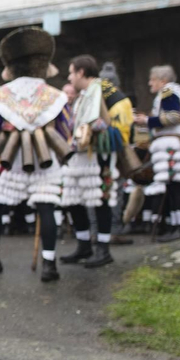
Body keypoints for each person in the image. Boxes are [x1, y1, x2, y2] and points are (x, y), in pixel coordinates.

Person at [0, 28, 73, 281]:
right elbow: (66, 128)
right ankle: (49, 264)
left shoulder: (0, 95)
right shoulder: (56, 96)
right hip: (44, 159)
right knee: (46, 207)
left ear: (11, 66)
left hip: (11, 158)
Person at [59, 55, 128, 269]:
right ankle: (84, 245)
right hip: (78, 154)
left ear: (81, 72)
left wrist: (95, 127)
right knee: (74, 199)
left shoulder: (102, 91)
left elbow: (110, 122)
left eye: (71, 73)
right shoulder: (83, 95)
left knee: (100, 198)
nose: (69, 77)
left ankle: (103, 249)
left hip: (98, 153)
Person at [145, 65, 180, 242]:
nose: (149, 83)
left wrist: (147, 121)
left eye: (152, 79)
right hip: (172, 144)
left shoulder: (168, 91)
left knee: (177, 185)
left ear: (163, 80)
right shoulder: (172, 91)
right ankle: (176, 226)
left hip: (172, 146)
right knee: (173, 186)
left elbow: (173, 116)